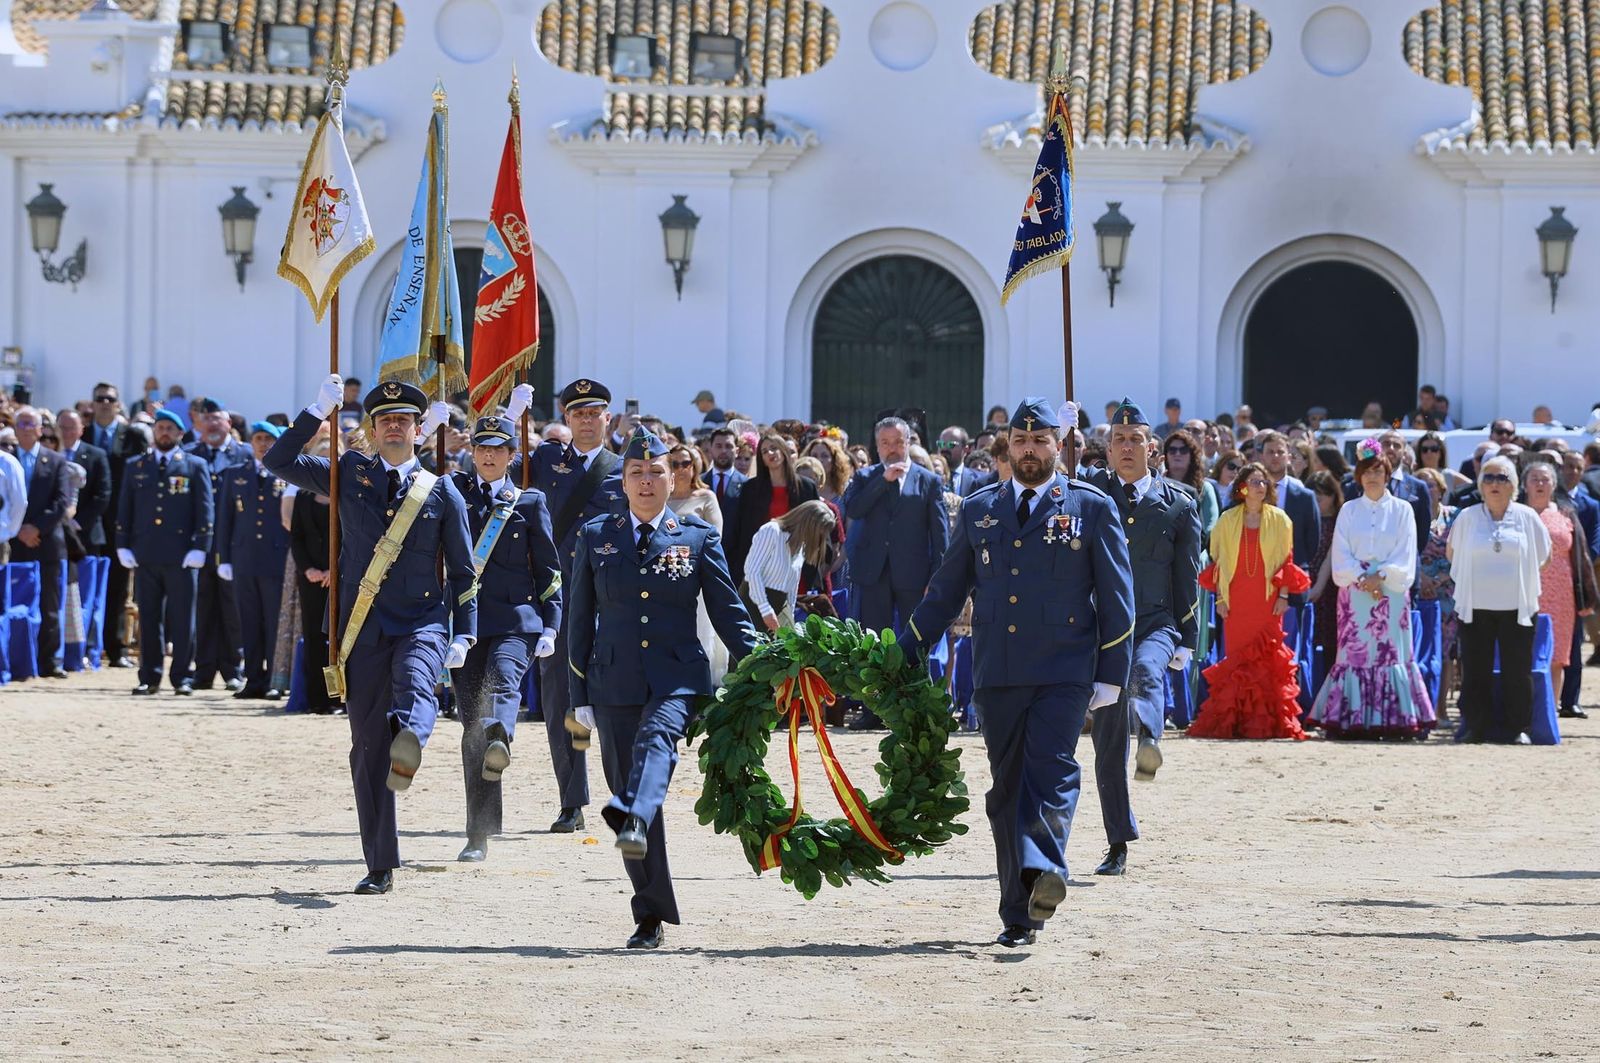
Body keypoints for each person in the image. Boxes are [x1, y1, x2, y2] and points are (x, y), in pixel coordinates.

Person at [901, 398, 1134, 948]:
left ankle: (1045, 865)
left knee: (1050, 771)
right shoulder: (981, 509)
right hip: (999, 670)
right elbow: (945, 590)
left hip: (1065, 669)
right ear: (1008, 447)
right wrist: (906, 650)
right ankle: (1019, 913)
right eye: (1020, 441)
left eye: (1041, 440)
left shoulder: (1090, 507)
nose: (1030, 450)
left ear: (1059, 444)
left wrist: (1112, 674)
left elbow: (1119, 598)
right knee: (1007, 792)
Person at [267, 375, 476, 894]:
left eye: (403, 420)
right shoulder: (346, 473)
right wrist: (317, 410)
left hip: (421, 621)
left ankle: (413, 739)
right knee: (366, 748)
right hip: (359, 628)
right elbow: (279, 461)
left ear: (417, 429)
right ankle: (380, 863)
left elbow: (464, 569)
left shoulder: (443, 490)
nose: (394, 427)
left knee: (414, 688)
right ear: (374, 429)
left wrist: (464, 632)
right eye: (385, 420)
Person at [565, 426, 757, 949]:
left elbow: (728, 612)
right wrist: (577, 693)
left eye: (656, 472)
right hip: (612, 680)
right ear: (622, 482)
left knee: (654, 749)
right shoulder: (595, 535)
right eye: (636, 473)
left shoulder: (697, 537)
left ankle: (636, 808)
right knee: (630, 800)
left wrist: (767, 663)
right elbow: (579, 618)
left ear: (673, 479)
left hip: (676, 677)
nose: (646, 481)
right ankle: (649, 915)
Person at [1083, 399, 1201, 876]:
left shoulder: (1177, 503)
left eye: (1135, 440)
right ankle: (1118, 841)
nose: (1127, 448)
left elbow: (1187, 575)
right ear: (1107, 451)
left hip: (1154, 620)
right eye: (1118, 441)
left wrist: (1188, 638)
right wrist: (1063, 434)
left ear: (1152, 449)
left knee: (1148, 670)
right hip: (1105, 630)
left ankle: (1151, 736)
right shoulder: (1088, 495)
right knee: (1107, 743)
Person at [504, 379, 624, 835]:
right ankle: (572, 801)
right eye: (579, 414)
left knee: (615, 700)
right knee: (561, 704)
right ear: (567, 419)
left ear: (608, 418)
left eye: (595, 413)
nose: (587, 420)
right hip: (558, 598)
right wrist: (512, 416)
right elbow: (492, 465)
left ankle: (624, 795)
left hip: (611, 599)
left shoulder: (628, 466)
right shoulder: (546, 461)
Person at [449, 414, 563, 863]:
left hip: (517, 621)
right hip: (467, 625)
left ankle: (503, 735)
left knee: (501, 685)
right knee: (471, 726)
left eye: (499, 449)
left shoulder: (529, 503)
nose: (490, 455)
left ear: (513, 456)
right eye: (482, 448)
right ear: (472, 452)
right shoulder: (453, 494)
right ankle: (478, 832)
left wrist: (552, 622)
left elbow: (549, 568)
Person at [1310, 441, 1435, 739]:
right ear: (1359, 476)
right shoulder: (1349, 510)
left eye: (1378, 471)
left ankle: (1394, 719)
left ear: (1388, 474)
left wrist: (1381, 575)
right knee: (1354, 654)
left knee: (1390, 654)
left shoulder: (1403, 509)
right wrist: (1361, 577)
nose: (1372, 477)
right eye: (1367, 471)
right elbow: (1339, 551)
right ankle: (1351, 718)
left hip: (1391, 591)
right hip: (1355, 594)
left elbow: (1407, 550)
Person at [1189, 462, 1311, 740]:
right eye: (1255, 481)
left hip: (1267, 598)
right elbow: (1218, 563)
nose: (1261, 486)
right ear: (1242, 487)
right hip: (1237, 599)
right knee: (1237, 659)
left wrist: (1283, 594)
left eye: (1263, 482)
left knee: (1268, 657)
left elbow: (1285, 560)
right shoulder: (1227, 519)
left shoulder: (1280, 519)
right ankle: (1237, 721)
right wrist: (1220, 598)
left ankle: (1270, 723)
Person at [841, 416, 949, 728]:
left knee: (916, 642)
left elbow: (939, 534)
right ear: (877, 446)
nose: (892, 449)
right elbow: (854, 509)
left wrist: (937, 578)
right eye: (885, 443)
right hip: (873, 574)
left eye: (898, 442)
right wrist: (882, 481)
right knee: (874, 643)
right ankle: (874, 710)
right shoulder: (865, 477)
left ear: (909, 442)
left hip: (914, 575)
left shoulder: (928, 480)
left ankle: (917, 708)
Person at [1448, 457, 1551, 744]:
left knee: (1516, 670)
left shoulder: (1527, 516)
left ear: (1514, 485)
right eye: (1489, 478)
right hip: (1475, 605)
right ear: (1480, 484)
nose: (1495, 483)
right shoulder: (1467, 517)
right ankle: (1475, 727)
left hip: (1517, 605)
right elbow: (1452, 553)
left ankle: (1518, 728)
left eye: (1502, 478)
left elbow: (1545, 556)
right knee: (1475, 669)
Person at [117, 409, 214, 695]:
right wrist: (122, 542)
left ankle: (182, 676)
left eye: (170, 428)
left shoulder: (194, 465)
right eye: (160, 427)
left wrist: (201, 547)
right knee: (149, 618)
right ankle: (149, 675)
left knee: (183, 619)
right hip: (146, 553)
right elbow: (126, 508)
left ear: (180, 434)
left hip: (182, 555)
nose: (164, 432)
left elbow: (205, 510)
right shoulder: (136, 465)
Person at [214, 422, 291, 700]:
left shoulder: (287, 473)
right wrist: (223, 557)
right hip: (244, 558)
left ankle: (273, 679)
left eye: (268, 438)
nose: (262, 444)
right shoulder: (235, 475)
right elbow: (224, 519)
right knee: (248, 621)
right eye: (258, 438)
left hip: (275, 558)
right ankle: (253, 679)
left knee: (273, 621)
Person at [1522, 462, 1598, 716]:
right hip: (1524, 591)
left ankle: (1549, 712)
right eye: (1534, 479)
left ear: (1554, 484)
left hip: (1562, 594)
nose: (1540, 484)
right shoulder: (1517, 513)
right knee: (1524, 651)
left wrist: (1586, 595)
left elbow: (1581, 556)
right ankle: (1524, 710)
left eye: (1545, 479)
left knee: (1557, 656)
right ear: (1524, 484)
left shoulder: (1567, 513)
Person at [186, 403, 250, 691]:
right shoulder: (189, 455)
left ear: (228, 423)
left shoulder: (245, 454)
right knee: (202, 610)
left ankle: (232, 668)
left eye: (217, 419)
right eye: (206, 420)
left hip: (234, 545)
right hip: (199, 546)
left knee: (232, 612)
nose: (212, 424)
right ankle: (203, 671)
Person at [87, 382, 147, 667]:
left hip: (120, 521)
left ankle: (116, 649)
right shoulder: (82, 433)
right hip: (86, 521)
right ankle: (86, 647)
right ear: (92, 402)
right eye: (100, 399)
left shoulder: (133, 436)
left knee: (118, 588)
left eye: (110, 398)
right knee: (84, 586)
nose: (105, 403)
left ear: (118, 403)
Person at [9, 406, 72, 677]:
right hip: (13, 542)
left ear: (40, 429)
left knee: (49, 604)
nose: (25, 429)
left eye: (29, 424)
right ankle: (15, 658)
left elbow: (61, 501)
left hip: (45, 543)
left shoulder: (55, 460)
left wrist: (35, 528)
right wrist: (17, 529)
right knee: (13, 603)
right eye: (20, 423)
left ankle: (49, 662)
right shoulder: (5, 459)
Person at [668, 441, 730, 685]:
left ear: (695, 466)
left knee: (702, 632)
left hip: (698, 574)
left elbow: (715, 535)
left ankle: (703, 686)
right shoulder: (661, 497)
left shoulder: (706, 497)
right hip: (665, 575)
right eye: (675, 464)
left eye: (686, 463)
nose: (681, 468)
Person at [727, 432, 819, 583]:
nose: (770, 453)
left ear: (783, 451)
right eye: (764, 451)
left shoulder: (806, 488)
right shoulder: (751, 489)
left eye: (774, 448)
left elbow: (816, 530)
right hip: (761, 567)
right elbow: (741, 532)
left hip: (796, 566)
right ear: (761, 459)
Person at [740, 499, 837, 630]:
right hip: (753, 602)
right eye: (820, 532)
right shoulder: (771, 531)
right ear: (809, 525)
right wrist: (765, 610)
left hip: (780, 605)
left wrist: (790, 615)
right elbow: (752, 572)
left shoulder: (801, 546)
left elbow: (792, 586)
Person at [288, 461, 335, 714]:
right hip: (311, 579)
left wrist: (335, 571)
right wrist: (308, 569)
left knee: (338, 641)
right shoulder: (302, 496)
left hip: (340, 580)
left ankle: (339, 698)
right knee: (315, 638)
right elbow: (297, 537)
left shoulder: (346, 494)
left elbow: (352, 537)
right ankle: (317, 698)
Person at [1415, 467, 1460, 713]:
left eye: (1431, 484)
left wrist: (1440, 578)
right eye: (1420, 483)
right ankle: (1420, 707)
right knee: (1419, 649)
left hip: (1447, 591)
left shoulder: (1455, 516)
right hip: (1417, 589)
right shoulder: (1410, 515)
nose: (1426, 489)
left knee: (1444, 652)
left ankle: (1440, 708)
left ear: (1441, 489)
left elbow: (1462, 553)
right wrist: (1421, 578)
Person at [1305, 471, 1344, 684]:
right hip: (1305, 581)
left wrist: (1320, 583)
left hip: (1332, 588)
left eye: (1324, 493)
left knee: (1331, 643)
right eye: (1314, 492)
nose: (1319, 498)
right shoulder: (1304, 517)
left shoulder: (1340, 519)